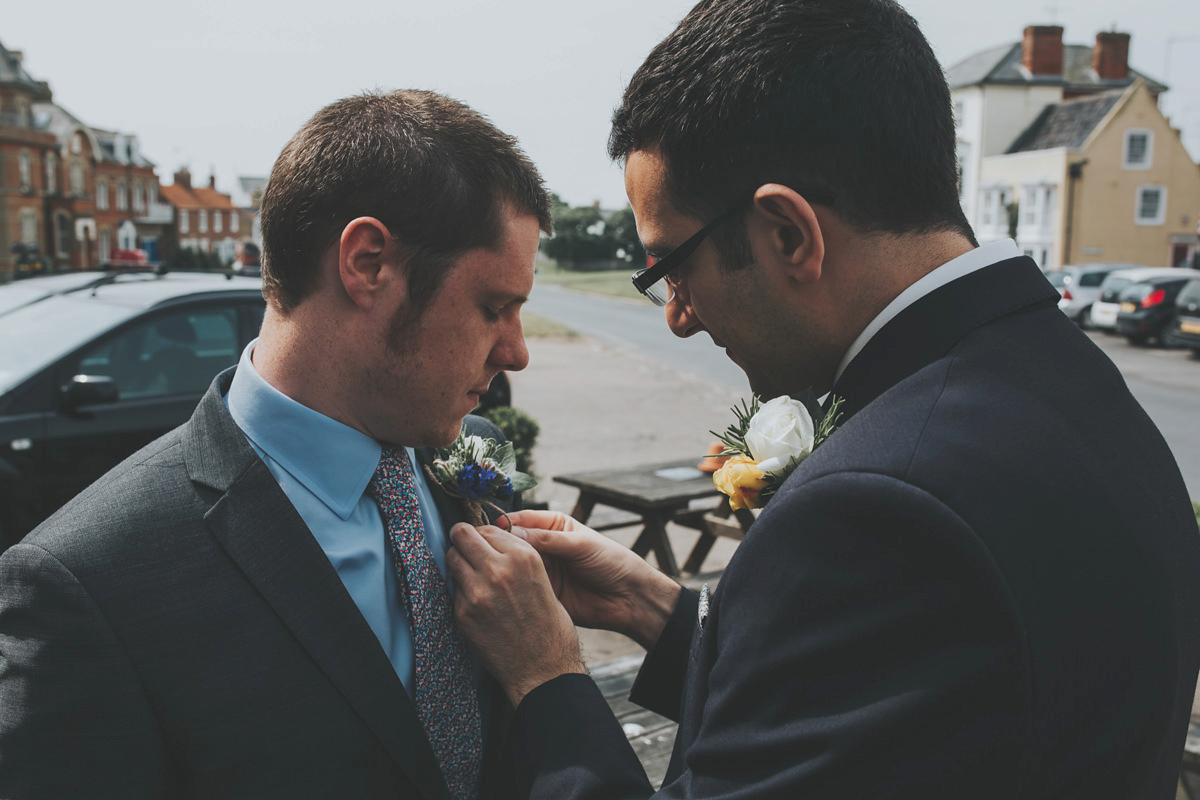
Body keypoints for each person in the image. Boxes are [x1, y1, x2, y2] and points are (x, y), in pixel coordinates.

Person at [445, 1, 1200, 797]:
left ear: (790, 234)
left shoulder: (870, 507)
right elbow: (920, 710)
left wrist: (547, 678)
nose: (677, 317)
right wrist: (656, 612)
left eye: (674, 268)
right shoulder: (1067, 376)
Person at [0, 89, 551, 799]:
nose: (516, 351)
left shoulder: (468, 449)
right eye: (493, 307)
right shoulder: (83, 587)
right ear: (369, 263)